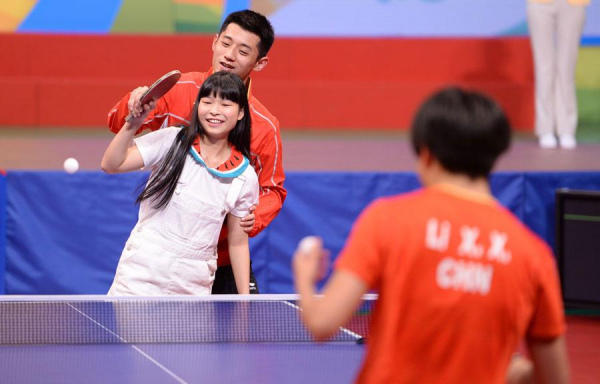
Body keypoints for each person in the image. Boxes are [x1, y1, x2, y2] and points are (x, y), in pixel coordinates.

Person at [293, 88, 569, 383]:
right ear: (494, 157)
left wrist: (305, 276)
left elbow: (321, 324)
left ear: (426, 154)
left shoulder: (387, 220)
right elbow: (553, 378)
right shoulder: (533, 253)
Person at [107, 10, 286, 294]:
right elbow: (117, 128)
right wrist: (132, 105)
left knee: (242, 333)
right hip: (166, 258)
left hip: (224, 258)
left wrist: (254, 216)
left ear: (260, 62)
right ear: (214, 42)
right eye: (226, 44)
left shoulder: (265, 126)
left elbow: (272, 190)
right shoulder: (179, 90)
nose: (229, 55)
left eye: (242, 51)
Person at [102, 72, 258, 295]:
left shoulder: (244, 176)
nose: (214, 110)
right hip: (140, 276)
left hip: (193, 285)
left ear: (241, 112)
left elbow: (238, 243)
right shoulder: (171, 140)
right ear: (197, 106)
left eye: (225, 104)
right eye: (207, 102)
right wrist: (133, 123)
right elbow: (111, 164)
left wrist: (246, 301)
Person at [527, 0, 589, 149]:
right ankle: (545, 129)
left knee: (566, 68)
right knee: (544, 67)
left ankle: (566, 129)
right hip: (540, 4)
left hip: (573, 4)